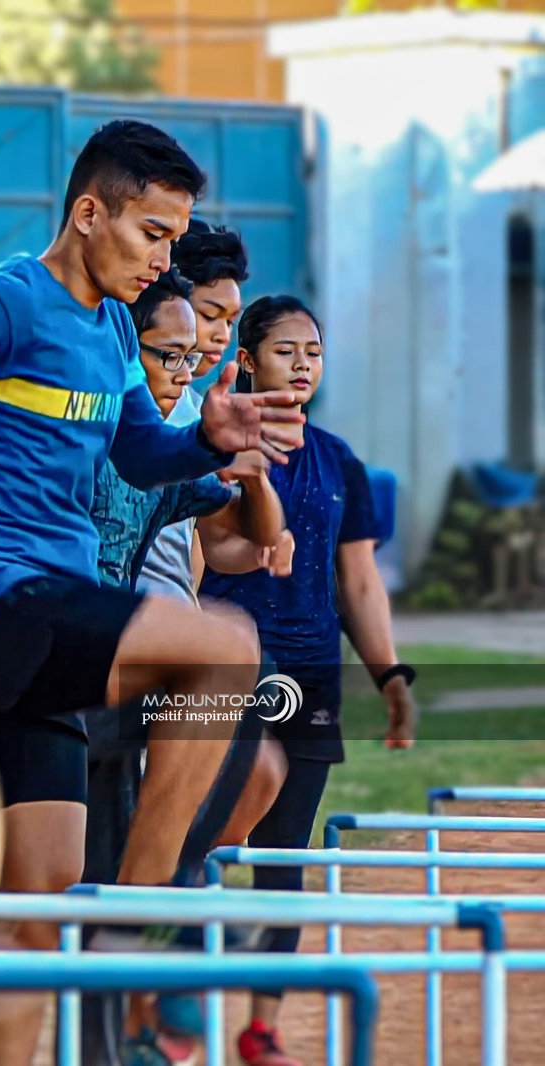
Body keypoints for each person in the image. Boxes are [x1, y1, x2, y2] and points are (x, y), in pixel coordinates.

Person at [0, 120, 306, 1066]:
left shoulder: (109, 329)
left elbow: (139, 454)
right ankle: (139, 914)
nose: (164, 259)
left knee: (39, 914)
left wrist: (209, 438)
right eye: (153, 233)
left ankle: (24, 944)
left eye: (174, 239)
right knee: (223, 645)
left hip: (47, 627)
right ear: (90, 213)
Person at [80, 269, 292, 1066]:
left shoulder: (168, 452)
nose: (187, 366)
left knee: (255, 763)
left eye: (192, 353)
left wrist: (251, 465)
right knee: (226, 649)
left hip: (144, 661)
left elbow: (252, 531)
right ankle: (141, 947)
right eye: (167, 353)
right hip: (79, 655)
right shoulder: (92, 432)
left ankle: (154, 908)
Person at [201, 295, 418, 1066]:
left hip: (313, 672)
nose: (302, 364)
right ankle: (168, 1006)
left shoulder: (339, 460)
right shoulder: (214, 447)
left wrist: (389, 676)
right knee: (202, 840)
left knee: (283, 856)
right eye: (285, 350)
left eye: (314, 352)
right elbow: (210, 550)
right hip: (228, 665)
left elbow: (357, 582)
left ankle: (260, 1029)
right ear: (247, 360)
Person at [137, 219, 251, 604]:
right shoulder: (130, 405)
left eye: (230, 321)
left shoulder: (199, 410)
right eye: (209, 314)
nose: (223, 334)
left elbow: (192, 539)